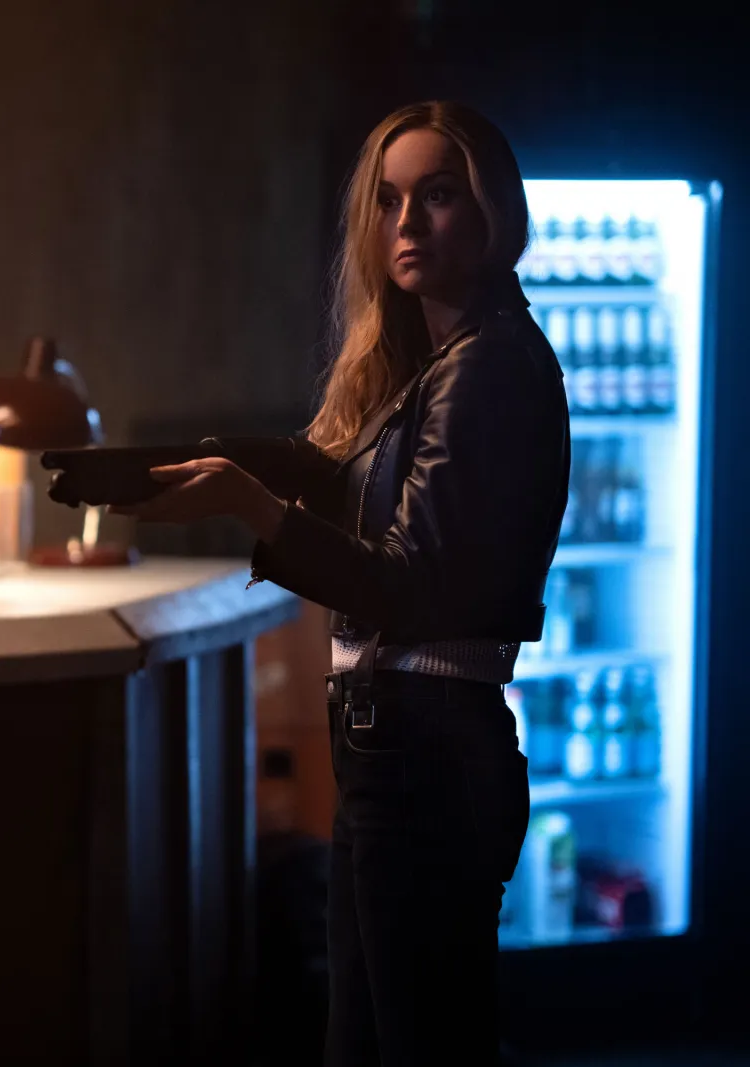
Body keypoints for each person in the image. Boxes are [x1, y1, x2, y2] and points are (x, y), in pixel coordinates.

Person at [113, 102, 567, 1065]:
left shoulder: (487, 366)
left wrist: (248, 503)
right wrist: (198, 464)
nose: (407, 223)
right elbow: (340, 474)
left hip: (426, 751)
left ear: (493, 210)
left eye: (437, 196)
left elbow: (404, 586)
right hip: (399, 749)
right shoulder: (438, 361)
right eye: (389, 200)